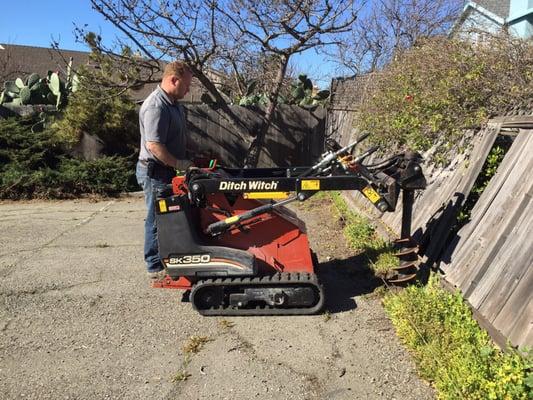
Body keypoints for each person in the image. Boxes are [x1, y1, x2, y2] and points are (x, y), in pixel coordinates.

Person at [136, 61, 194, 280]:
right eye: (186, 85)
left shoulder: (173, 104)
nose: (188, 90)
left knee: (170, 217)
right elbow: (154, 145)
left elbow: (178, 136)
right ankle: (154, 266)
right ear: (173, 80)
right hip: (155, 172)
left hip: (166, 170)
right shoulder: (156, 106)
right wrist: (180, 165)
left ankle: (170, 257)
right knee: (156, 219)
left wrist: (194, 153)